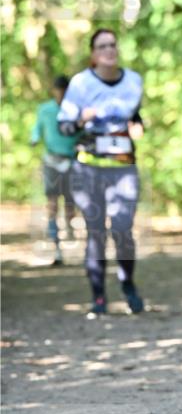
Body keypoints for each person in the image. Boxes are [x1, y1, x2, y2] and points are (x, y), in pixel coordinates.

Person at [57, 28, 145, 318]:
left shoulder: (133, 80)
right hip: (89, 168)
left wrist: (138, 127)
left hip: (123, 167)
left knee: (122, 230)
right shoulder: (81, 84)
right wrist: (82, 119)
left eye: (113, 45)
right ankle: (98, 297)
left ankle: (127, 284)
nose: (109, 49)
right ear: (94, 54)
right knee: (96, 233)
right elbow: (65, 126)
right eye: (102, 46)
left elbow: (134, 116)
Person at [30, 75, 78, 265]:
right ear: (54, 91)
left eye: (65, 91)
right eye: (59, 91)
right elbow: (37, 128)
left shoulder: (75, 110)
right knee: (51, 202)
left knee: (69, 203)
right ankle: (56, 245)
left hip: (71, 161)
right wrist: (34, 138)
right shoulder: (45, 109)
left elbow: (82, 132)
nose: (61, 94)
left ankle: (69, 227)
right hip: (51, 159)